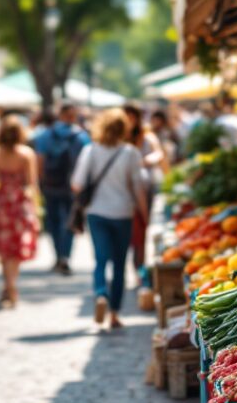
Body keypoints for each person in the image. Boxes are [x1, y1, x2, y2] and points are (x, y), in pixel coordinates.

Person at [71, 108, 146, 331]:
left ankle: (101, 293)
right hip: (123, 213)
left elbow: (76, 184)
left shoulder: (90, 150)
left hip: (97, 213)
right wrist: (145, 213)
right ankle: (114, 313)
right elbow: (138, 187)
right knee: (120, 264)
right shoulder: (130, 152)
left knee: (101, 259)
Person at [0, 116, 40, 307]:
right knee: (16, 249)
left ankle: (7, 286)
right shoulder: (26, 154)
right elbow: (31, 184)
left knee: (4, 248)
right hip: (19, 203)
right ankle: (11, 285)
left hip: (2, 203)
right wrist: (36, 209)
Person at [32, 104, 90, 275]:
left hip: (51, 185)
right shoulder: (81, 136)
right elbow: (85, 163)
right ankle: (66, 255)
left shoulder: (45, 135)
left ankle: (58, 255)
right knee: (70, 221)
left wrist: (41, 182)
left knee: (53, 222)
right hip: (73, 185)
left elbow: (39, 161)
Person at [124, 105, 166, 288]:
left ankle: (140, 271)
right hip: (124, 191)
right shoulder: (119, 138)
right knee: (133, 233)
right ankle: (136, 269)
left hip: (145, 189)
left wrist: (146, 160)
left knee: (142, 232)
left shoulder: (146, 136)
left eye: (132, 117)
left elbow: (159, 153)